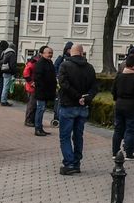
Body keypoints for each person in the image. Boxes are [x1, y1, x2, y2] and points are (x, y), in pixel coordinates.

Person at [56, 44, 99, 174]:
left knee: (65, 136)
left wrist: (77, 96)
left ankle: (69, 164)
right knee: (78, 135)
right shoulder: (89, 67)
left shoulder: (65, 65)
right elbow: (94, 87)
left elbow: (64, 84)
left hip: (68, 105)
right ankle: (76, 162)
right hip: (82, 107)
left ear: (71, 53)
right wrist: (86, 98)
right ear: (82, 53)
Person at [111, 53, 134, 155]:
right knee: (130, 129)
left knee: (118, 129)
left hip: (119, 105)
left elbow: (113, 91)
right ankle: (129, 153)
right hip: (132, 106)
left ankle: (115, 152)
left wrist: (117, 99)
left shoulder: (119, 77)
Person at [31, 45, 56, 136]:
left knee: (42, 109)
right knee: (40, 109)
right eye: (49, 53)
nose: (50, 54)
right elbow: (38, 78)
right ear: (43, 54)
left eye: (51, 53)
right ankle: (38, 129)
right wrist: (42, 88)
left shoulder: (49, 62)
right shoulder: (41, 63)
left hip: (46, 91)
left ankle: (40, 128)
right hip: (41, 91)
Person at [0, 41, 17, 106]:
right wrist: (14, 72)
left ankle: (3, 100)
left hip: (3, 70)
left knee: (4, 86)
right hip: (8, 71)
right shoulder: (12, 53)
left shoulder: (4, 52)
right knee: (6, 87)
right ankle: (3, 101)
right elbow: (12, 64)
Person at [23, 51, 39, 127]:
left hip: (33, 87)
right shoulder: (33, 64)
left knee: (33, 105)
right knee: (32, 105)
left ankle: (31, 120)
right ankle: (29, 120)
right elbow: (26, 74)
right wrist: (31, 82)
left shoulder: (33, 63)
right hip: (32, 87)